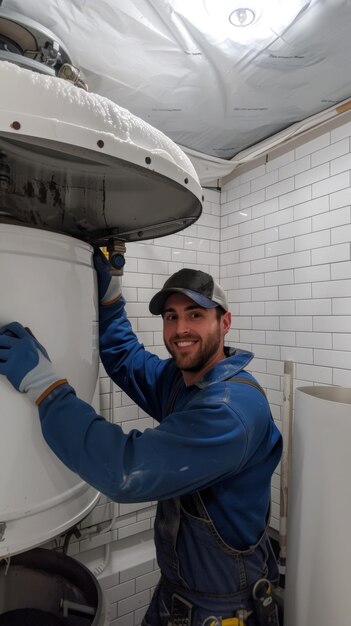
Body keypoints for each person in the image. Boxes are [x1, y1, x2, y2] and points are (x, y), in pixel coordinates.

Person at [0, 250, 282, 626]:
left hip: (223, 611)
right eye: (171, 317)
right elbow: (124, 356)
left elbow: (125, 471)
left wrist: (46, 387)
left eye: (195, 315)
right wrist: (111, 296)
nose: (180, 329)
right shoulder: (184, 382)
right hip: (177, 595)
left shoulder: (231, 410)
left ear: (225, 322)